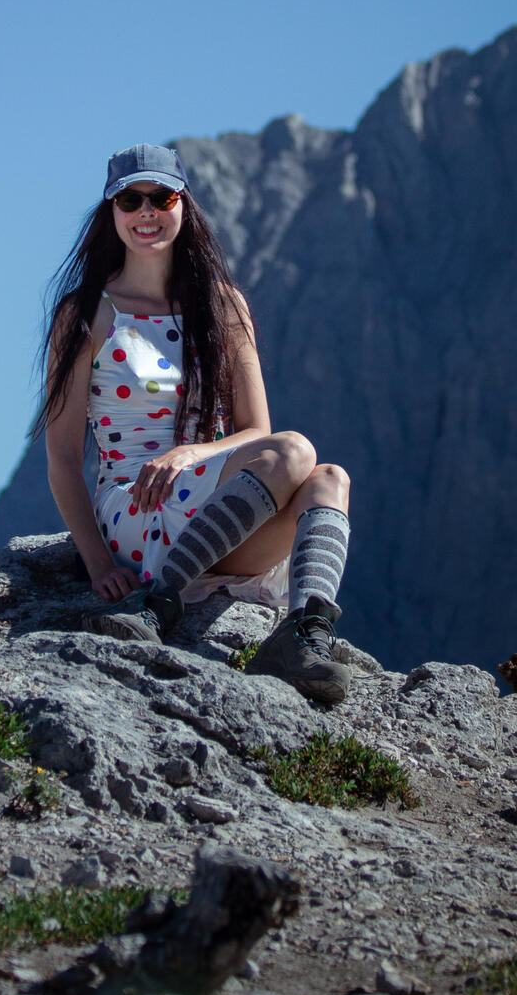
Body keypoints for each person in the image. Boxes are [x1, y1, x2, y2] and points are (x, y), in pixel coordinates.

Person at [37, 143, 354, 707]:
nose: (146, 212)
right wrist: (98, 564)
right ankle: (156, 601)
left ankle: (304, 636)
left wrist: (190, 454)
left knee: (328, 479)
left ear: (184, 205)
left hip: (212, 504)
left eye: (162, 196)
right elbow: (62, 457)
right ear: (111, 212)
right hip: (136, 506)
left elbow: (257, 428)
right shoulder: (88, 311)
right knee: (294, 452)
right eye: (130, 199)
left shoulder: (223, 305)